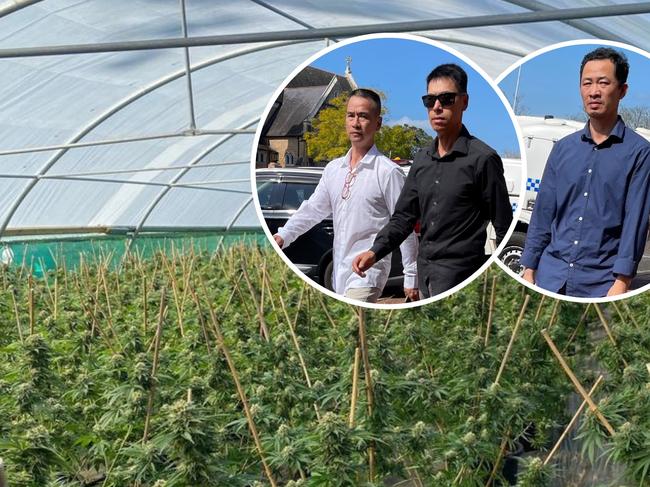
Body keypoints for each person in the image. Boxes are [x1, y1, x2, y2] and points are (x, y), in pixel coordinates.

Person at [352, 64, 512, 298]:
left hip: (463, 280)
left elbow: (504, 226)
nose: (437, 107)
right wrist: (375, 252)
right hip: (426, 276)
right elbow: (403, 218)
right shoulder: (422, 159)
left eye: (446, 99)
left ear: (464, 102)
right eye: (430, 100)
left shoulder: (483, 159)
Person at [520, 47, 650, 298]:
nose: (594, 91)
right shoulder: (563, 149)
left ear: (622, 90)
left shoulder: (639, 152)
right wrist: (529, 269)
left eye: (603, 83)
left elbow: (636, 222)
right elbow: (543, 213)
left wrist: (621, 282)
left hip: (601, 283)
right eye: (587, 83)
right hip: (550, 276)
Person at [273, 88, 419, 303]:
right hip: (338, 272)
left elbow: (404, 225)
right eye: (351, 115)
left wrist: (411, 276)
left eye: (363, 116)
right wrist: (283, 235)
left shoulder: (388, 172)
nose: (356, 123)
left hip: (368, 272)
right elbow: (314, 209)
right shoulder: (334, 169)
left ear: (377, 124)